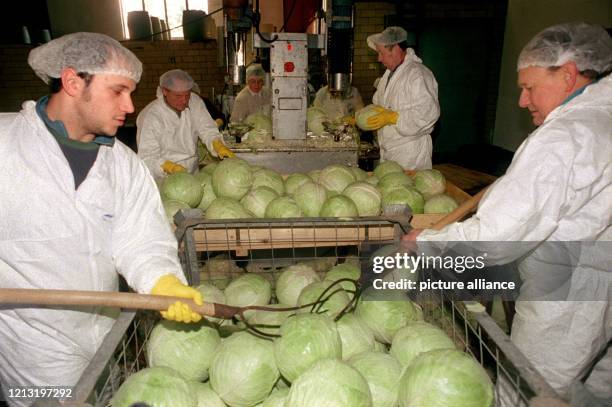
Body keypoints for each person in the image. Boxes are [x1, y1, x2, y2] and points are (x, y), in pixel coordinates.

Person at [403, 22, 612, 405]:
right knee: (596, 393)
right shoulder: (603, 119)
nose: (521, 100)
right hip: (599, 288)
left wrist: (428, 243)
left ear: (567, 75)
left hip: (566, 303)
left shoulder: (564, 138)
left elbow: (497, 238)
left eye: (529, 87)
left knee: (525, 391)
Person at [0, 33, 204, 406]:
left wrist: (162, 280)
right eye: (118, 91)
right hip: (34, 349)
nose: (129, 105)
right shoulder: (6, 147)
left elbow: (143, 239)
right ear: (73, 82)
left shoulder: (123, 165)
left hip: (106, 338)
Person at [137, 69, 233, 180]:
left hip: (193, 173)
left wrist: (216, 143)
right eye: (178, 96)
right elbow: (147, 158)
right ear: (164, 91)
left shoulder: (194, 101)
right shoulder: (150, 116)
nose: (184, 100)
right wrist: (168, 167)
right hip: (165, 179)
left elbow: (206, 128)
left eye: (187, 95)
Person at [366, 26, 440, 170]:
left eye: (381, 53)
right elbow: (378, 104)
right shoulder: (389, 74)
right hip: (389, 150)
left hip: (410, 155)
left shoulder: (417, 74)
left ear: (395, 49)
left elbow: (429, 113)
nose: (379, 58)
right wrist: (359, 117)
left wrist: (395, 118)